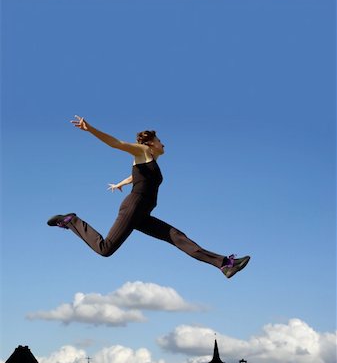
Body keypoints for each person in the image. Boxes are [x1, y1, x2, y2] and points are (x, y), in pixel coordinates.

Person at [47, 116, 250, 279]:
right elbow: (116, 143)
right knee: (105, 249)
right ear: (151, 144)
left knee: (177, 237)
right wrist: (90, 129)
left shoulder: (150, 163)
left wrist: (120, 183)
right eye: (160, 141)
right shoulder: (143, 151)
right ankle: (71, 220)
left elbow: (136, 175)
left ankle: (225, 264)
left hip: (143, 213)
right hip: (133, 208)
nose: (164, 144)